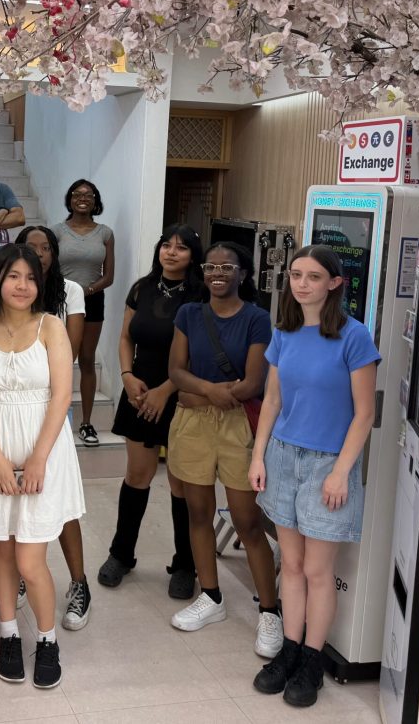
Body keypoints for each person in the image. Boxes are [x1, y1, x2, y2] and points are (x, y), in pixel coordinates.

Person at [248, 245, 380, 708]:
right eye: (296, 275)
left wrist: (342, 473)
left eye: (313, 276)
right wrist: (258, 456)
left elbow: (364, 414)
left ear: (335, 284)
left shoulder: (355, 337)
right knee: (294, 566)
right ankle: (288, 649)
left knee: (319, 571)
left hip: (329, 464)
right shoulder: (283, 332)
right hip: (283, 457)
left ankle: (311, 659)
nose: (302, 284)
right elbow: (272, 402)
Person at [0, 245, 85, 689]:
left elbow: (60, 396)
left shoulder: (52, 326)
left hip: (45, 448)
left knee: (30, 556)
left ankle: (48, 640)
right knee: (3, 548)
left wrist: (38, 458)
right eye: (13, 276)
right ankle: (9, 634)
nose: (22, 285)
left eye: (30, 278)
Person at [166, 242, 281, 658]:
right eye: (211, 266)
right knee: (198, 513)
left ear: (243, 273)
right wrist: (212, 390)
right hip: (192, 425)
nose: (218, 273)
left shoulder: (257, 319)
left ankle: (270, 611)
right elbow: (175, 371)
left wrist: (208, 394)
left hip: (237, 428)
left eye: (226, 267)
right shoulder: (188, 314)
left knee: (247, 522)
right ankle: (211, 597)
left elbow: (254, 382)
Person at [97, 224, 203, 604]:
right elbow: (125, 337)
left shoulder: (201, 294)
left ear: (194, 255)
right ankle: (121, 554)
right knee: (137, 477)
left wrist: (166, 389)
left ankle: (186, 564)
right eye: (166, 246)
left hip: (181, 394)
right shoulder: (142, 287)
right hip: (139, 391)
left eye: (181, 248)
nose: (171, 253)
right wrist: (126, 376)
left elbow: (199, 353)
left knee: (180, 483)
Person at [17, 225, 92, 630]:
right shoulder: (11, 290)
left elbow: (72, 352)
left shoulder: (71, 292)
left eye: (47, 248)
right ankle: (26, 578)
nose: (40, 254)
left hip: (51, 407)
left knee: (60, 504)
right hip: (12, 409)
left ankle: (79, 583)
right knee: (18, 501)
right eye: (32, 248)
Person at [52, 180, 114, 446]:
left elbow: (109, 276)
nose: (83, 198)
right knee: (57, 361)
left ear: (95, 200)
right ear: (70, 199)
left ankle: (86, 423)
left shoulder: (105, 233)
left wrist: (84, 291)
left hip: (93, 300)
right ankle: (55, 418)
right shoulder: (56, 231)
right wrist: (68, 292)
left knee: (86, 359)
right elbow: (48, 267)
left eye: (88, 195)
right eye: (77, 194)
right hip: (59, 301)